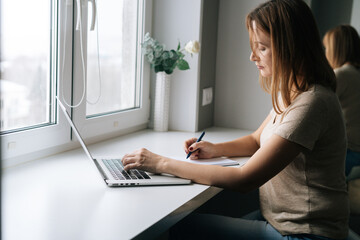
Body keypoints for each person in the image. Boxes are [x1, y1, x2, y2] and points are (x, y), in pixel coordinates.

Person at [122, 0, 349, 239]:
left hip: (305, 234)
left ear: (291, 47)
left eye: (262, 48)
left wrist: (160, 163)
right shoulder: (293, 92)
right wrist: (214, 149)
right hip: (279, 221)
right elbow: (256, 139)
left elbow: (244, 180)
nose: (252, 56)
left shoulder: (312, 103)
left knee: (179, 227)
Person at [323, 25, 360, 179]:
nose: (325, 53)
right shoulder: (356, 73)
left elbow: (318, 104)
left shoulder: (341, 74)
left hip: (348, 151)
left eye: (326, 48)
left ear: (335, 49)